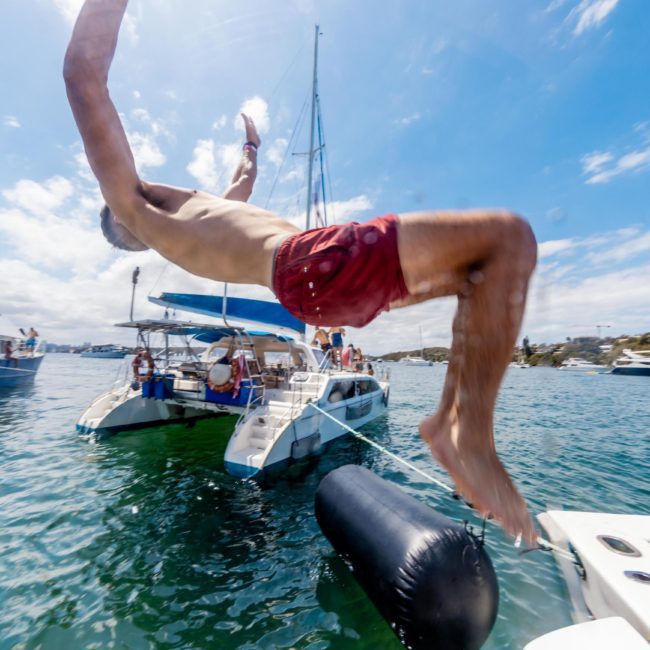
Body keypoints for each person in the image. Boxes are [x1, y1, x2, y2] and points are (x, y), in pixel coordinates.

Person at [64, 0, 538, 543]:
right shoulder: (136, 208)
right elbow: (84, 77)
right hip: (310, 263)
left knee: (477, 275)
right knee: (507, 240)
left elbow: (241, 183)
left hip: (312, 283)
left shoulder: (194, 215)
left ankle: (454, 423)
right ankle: (468, 439)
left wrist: (250, 144)